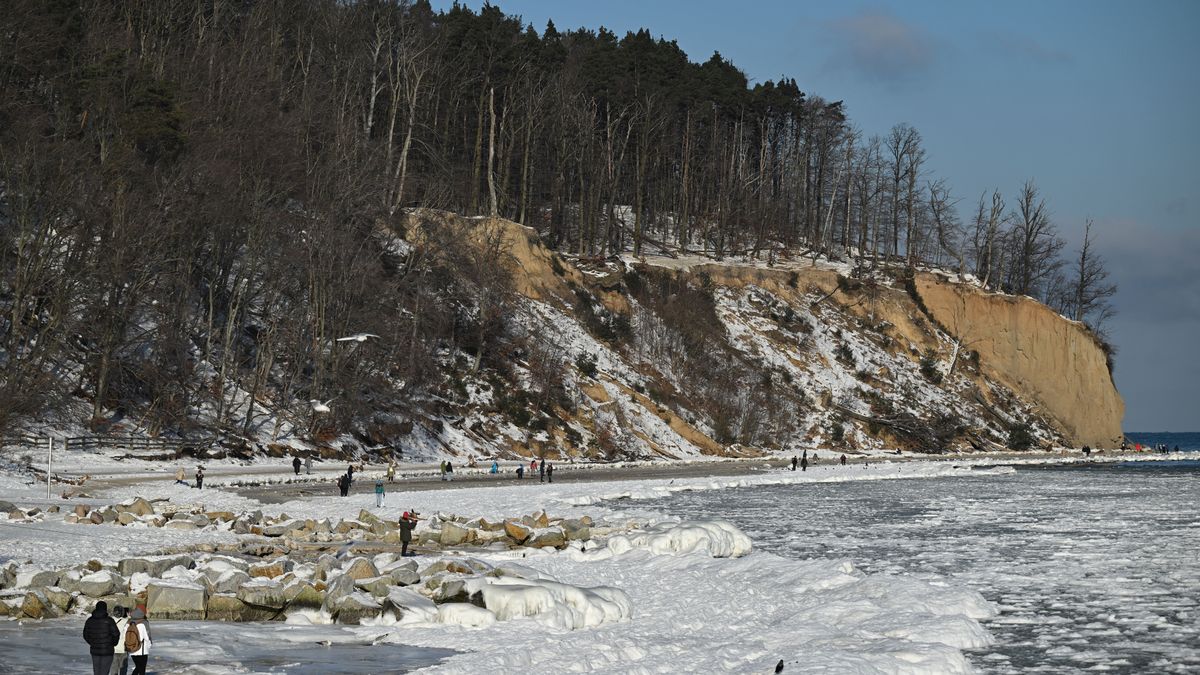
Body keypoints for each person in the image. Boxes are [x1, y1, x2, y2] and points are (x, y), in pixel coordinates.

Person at [83, 600, 119, 675]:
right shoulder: (109, 620)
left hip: (95, 650)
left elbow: (85, 635)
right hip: (107, 651)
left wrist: (92, 642)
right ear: (105, 609)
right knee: (104, 672)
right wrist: (112, 643)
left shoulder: (90, 620)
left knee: (97, 672)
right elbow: (116, 634)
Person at [126, 607, 151, 675]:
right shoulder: (144, 623)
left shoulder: (128, 622)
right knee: (141, 669)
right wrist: (149, 645)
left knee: (138, 667)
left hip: (131, 648)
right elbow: (147, 637)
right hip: (142, 650)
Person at [110, 606, 129, 675]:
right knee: (123, 668)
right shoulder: (126, 621)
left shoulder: (110, 621)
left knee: (113, 668)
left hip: (113, 648)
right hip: (123, 648)